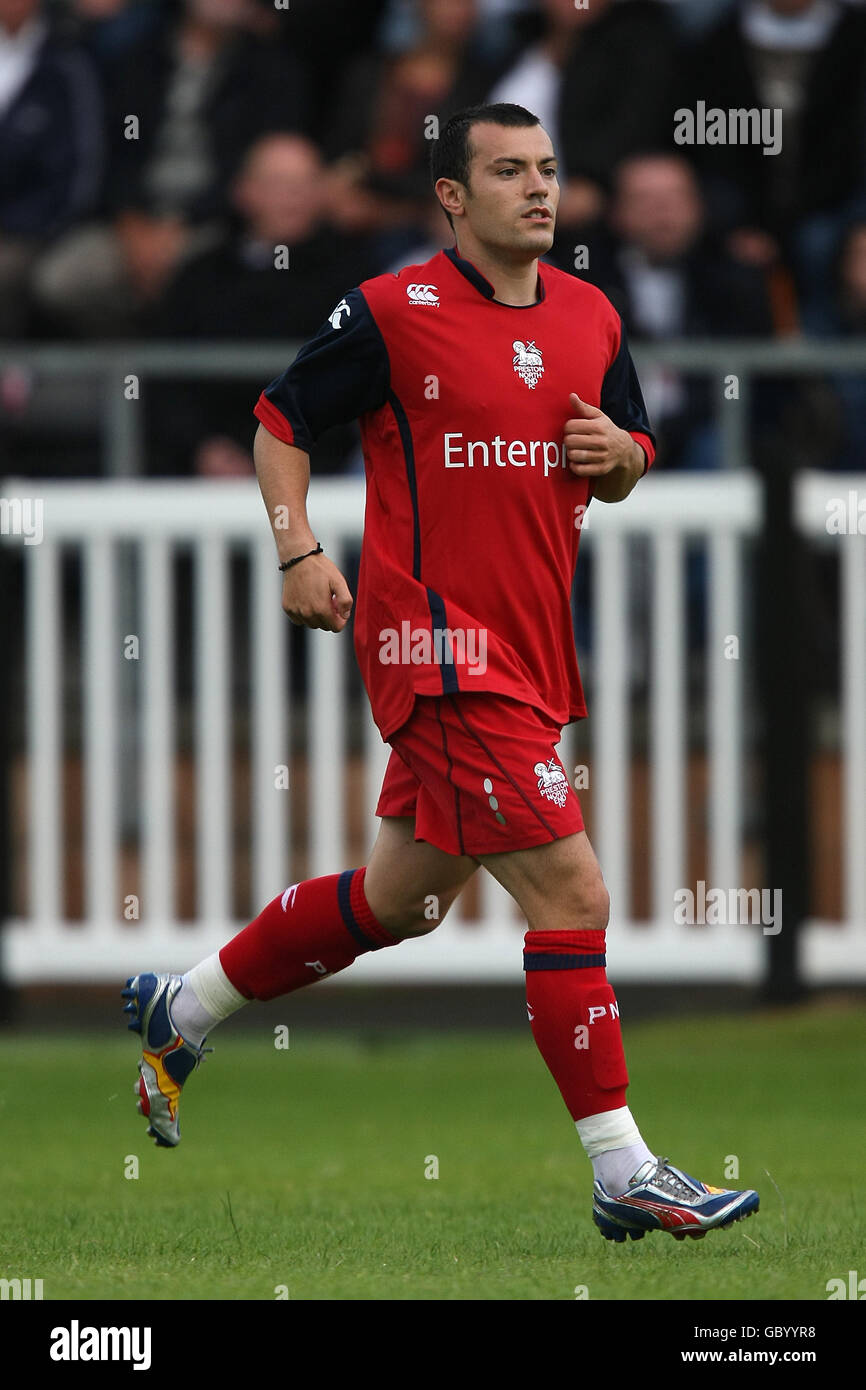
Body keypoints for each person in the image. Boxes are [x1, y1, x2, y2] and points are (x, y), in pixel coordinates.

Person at [123, 102, 759, 1244]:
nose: (536, 188)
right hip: (433, 645)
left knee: (399, 901)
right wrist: (298, 549)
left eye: (549, 168)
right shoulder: (390, 312)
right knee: (571, 892)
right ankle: (624, 1168)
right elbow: (277, 422)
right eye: (507, 170)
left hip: (528, 654)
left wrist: (628, 460)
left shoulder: (591, 315)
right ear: (452, 197)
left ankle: (188, 1001)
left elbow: (623, 453)